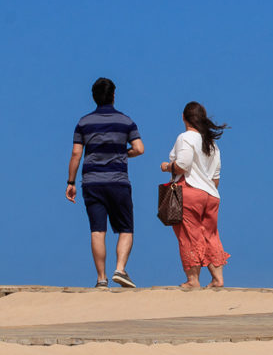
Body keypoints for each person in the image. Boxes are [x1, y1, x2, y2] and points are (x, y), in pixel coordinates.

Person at [66, 77, 145, 288]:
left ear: (94, 97)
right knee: (125, 228)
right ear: (113, 96)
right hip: (118, 181)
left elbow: (76, 153)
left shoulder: (83, 123)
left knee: (97, 230)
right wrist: (122, 154)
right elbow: (139, 148)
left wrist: (71, 181)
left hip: (91, 182)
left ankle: (101, 279)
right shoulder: (126, 121)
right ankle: (120, 269)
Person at [160, 101, 231, 288]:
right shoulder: (212, 144)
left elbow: (182, 165)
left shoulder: (186, 138)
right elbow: (216, 177)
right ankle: (217, 279)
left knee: (189, 235)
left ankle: (193, 280)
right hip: (211, 194)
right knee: (211, 234)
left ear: (183, 118)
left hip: (190, 191)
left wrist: (167, 167)